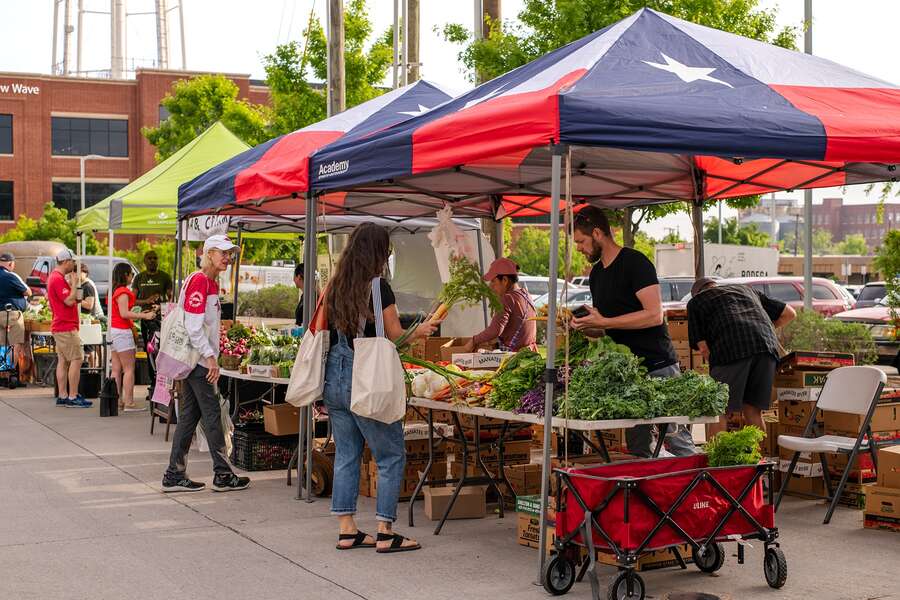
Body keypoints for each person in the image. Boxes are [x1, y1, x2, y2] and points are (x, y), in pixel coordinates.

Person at [325, 223, 436, 553]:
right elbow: (393, 334)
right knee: (390, 455)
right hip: (366, 379)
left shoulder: (336, 284)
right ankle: (386, 530)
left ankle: (347, 529)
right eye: (386, 249)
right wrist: (420, 331)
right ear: (377, 252)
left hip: (335, 375)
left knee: (346, 453)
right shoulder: (378, 287)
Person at [570, 206, 695, 458]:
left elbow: (653, 314)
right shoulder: (596, 274)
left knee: (676, 441)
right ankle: (652, 496)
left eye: (581, 241)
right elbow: (608, 326)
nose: (579, 248)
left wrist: (604, 322)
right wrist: (585, 326)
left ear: (597, 233)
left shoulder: (635, 263)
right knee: (639, 448)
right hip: (628, 375)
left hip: (658, 366)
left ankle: (699, 495)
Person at [162, 235, 250, 493]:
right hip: (199, 362)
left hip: (196, 361)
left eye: (230, 253)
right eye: (223, 253)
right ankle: (222, 474)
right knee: (213, 417)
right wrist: (211, 358)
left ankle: (174, 474)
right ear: (209, 253)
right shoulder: (201, 281)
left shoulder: (208, 282)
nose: (228, 258)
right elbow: (193, 326)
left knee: (190, 416)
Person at [687, 278, 796, 437]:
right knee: (753, 411)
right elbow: (789, 313)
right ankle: (757, 458)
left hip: (730, 349)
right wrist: (761, 330)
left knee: (719, 410)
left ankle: (717, 460)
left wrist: (718, 369)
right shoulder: (746, 290)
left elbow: (703, 347)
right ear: (715, 285)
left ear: (696, 293)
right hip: (766, 348)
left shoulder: (696, 302)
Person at [461, 257, 537, 353]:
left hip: (515, 358)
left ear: (505, 280)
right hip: (529, 354)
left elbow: (495, 330)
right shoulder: (526, 295)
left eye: (493, 281)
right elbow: (516, 326)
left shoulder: (507, 299)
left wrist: (473, 340)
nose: (491, 286)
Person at [47, 250, 91, 408]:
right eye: (72, 262)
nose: (74, 265)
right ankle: (72, 396)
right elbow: (68, 300)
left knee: (64, 361)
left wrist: (74, 287)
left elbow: (74, 300)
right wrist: (73, 285)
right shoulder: (57, 279)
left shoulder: (55, 277)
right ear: (66, 261)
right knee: (77, 359)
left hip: (61, 325)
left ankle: (63, 395)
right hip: (65, 325)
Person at [109, 262, 156, 412]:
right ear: (125, 275)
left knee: (116, 369)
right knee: (129, 368)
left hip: (115, 331)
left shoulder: (115, 291)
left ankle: (117, 401)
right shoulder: (122, 292)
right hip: (122, 331)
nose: (132, 277)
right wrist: (144, 315)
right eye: (131, 274)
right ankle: (129, 402)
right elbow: (124, 313)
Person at [132, 251, 172, 399]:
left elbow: (172, 298)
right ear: (144, 260)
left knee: (162, 351)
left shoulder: (165, 277)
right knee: (150, 351)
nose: (152, 261)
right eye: (149, 258)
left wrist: (160, 306)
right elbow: (133, 300)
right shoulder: (139, 278)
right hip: (145, 320)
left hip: (162, 321)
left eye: (155, 258)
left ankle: (163, 387)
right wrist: (147, 301)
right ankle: (153, 384)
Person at [0, 252, 31, 362]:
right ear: (10, 264)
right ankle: (9, 374)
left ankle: (3, 376)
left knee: (2, 347)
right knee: (15, 346)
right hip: (11, 314)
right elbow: (28, 292)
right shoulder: (11, 275)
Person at [294, 263, 305, 327]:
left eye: (294, 277)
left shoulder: (312, 296)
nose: (293, 280)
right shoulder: (304, 296)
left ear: (299, 277)